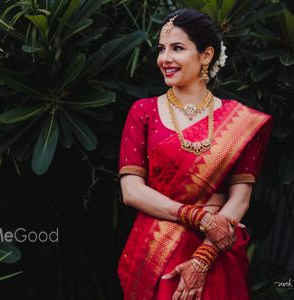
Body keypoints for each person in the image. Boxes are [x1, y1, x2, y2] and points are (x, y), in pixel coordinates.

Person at [117, 8, 274, 300]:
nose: (165, 58)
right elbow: (132, 191)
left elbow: (240, 199)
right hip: (156, 250)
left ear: (205, 55)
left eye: (177, 48)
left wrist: (203, 258)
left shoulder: (240, 120)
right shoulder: (144, 112)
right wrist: (197, 217)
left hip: (214, 251)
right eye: (162, 49)